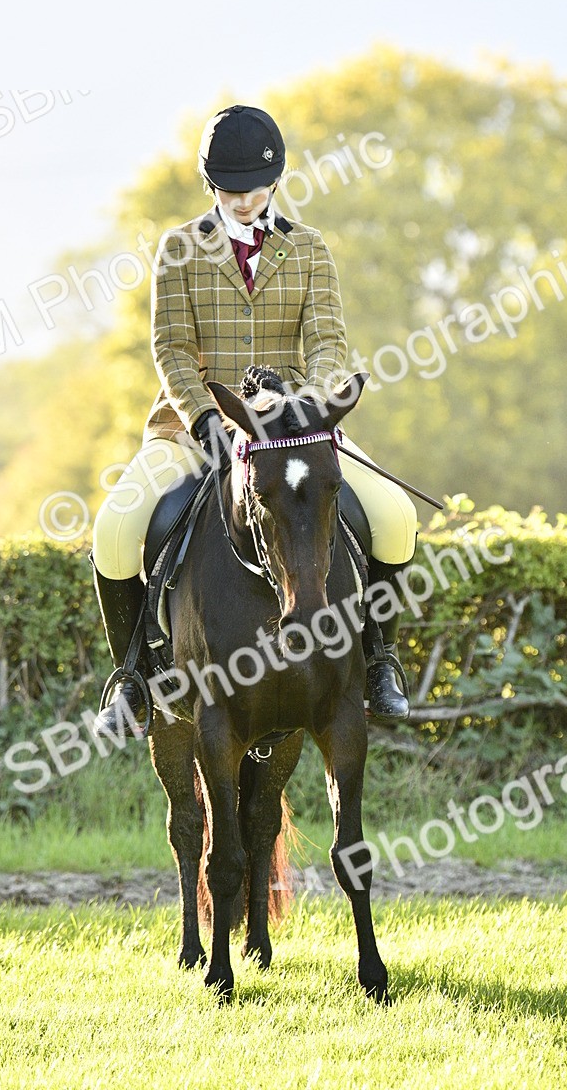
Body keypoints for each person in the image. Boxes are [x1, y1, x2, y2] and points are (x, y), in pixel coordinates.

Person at [90, 104, 417, 736]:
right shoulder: (180, 249)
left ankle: (379, 661)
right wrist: (208, 419)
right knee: (114, 526)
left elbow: (326, 341)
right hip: (192, 429)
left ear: (277, 181)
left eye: (255, 190)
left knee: (396, 515)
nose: (244, 202)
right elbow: (172, 348)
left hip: (294, 431)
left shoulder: (309, 250)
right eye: (231, 191)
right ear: (212, 187)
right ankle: (132, 679)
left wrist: (308, 404)